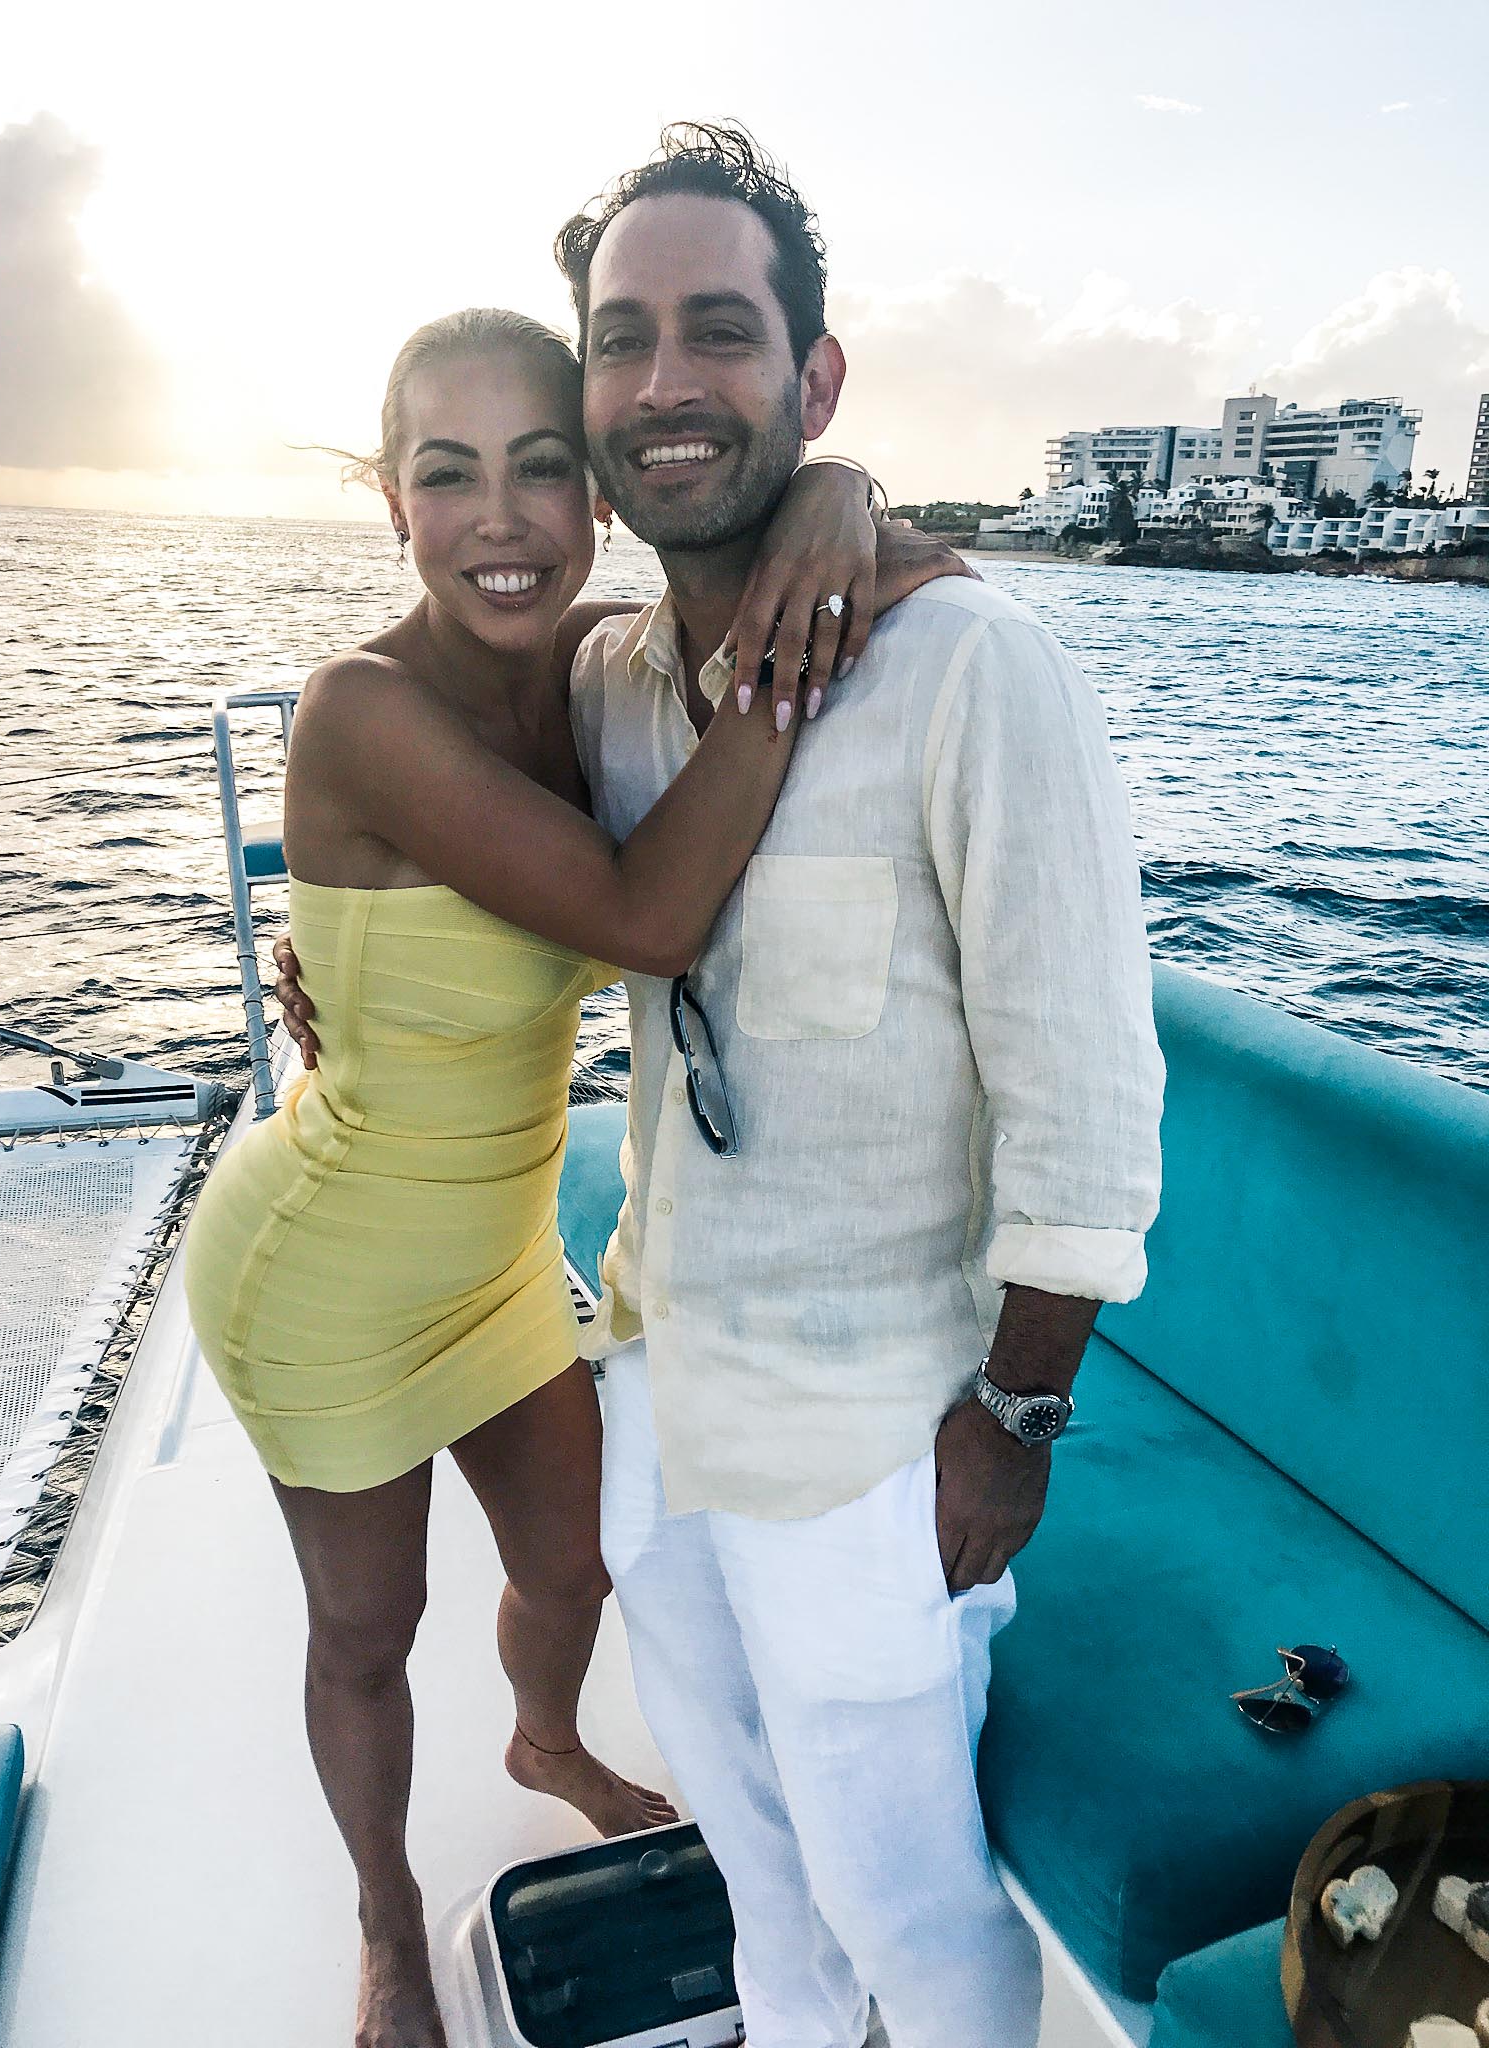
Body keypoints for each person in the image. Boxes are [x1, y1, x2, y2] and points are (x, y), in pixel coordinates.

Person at [184, 303, 962, 2048]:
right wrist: (797, 646)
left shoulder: (604, 677)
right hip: (324, 1273)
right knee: (368, 1629)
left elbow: (882, 550)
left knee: (578, 1558)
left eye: (544, 465)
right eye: (447, 476)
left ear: (600, 493)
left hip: (496, 1254)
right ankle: (388, 1928)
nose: (502, 519)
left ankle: (543, 1739)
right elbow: (648, 918)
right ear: (394, 503)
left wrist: (833, 496)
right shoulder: (362, 707)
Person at [556, 124, 1163, 2048]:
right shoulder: (611, 688)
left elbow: (1085, 1093)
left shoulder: (978, 669)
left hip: (877, 1436)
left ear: (812, 381)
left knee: (910, 1908)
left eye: (719, 334)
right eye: (623, 339)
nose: (666, 384)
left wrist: (1016, 1414)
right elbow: (517, 884)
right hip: (660, 1386)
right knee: (755, 1875)